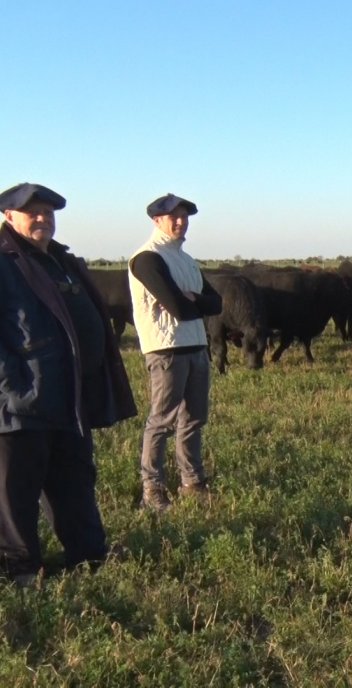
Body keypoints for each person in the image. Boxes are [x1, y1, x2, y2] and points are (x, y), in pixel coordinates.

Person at [0, 182, 136, 585]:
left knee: (74, 479)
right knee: (16, 489)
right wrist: (12, 386)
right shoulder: (5, 262)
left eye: (48, 212)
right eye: (32, 212)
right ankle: (19, 569)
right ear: (8, 216)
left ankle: (88, 557)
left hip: (70, 396)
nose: (43, 218)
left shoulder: (60, 261)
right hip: (21, 401)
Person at [129, 193, 221, 513]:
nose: (180, 222)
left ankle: (192, 482)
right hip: (166, 348)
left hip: (196, 345)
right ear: (157, 220)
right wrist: (194, 301)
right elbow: (179, 308)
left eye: (184, 216)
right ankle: (152, 488)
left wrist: (191, 298)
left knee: (194, 418)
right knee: (162, 421)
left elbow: (217, 303)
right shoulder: (146, 258)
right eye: (173, 217)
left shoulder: (186, 259)